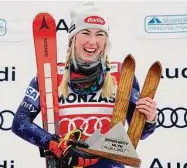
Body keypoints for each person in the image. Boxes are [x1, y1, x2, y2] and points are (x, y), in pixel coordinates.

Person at [12, 2, 157, 168]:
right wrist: (58, 145)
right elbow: (20, 121)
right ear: (73, 37)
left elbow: (140, 134)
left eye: (99, 34)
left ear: (106, 40)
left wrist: (150, 118)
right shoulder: (50, 76)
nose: (92, 42)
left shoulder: (122, 75)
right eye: (86, 33)